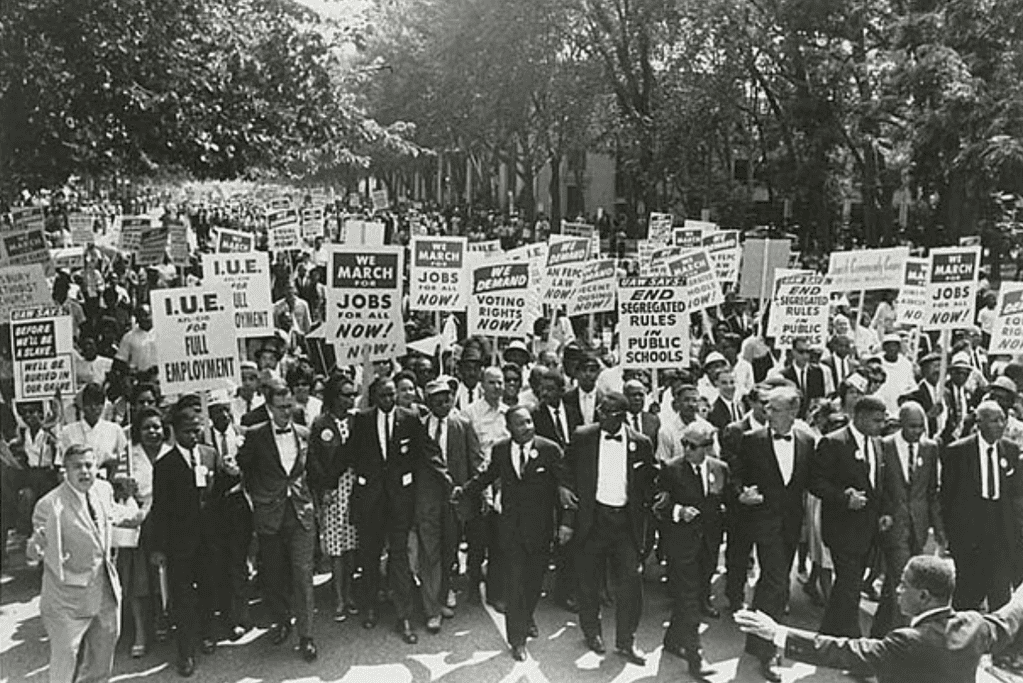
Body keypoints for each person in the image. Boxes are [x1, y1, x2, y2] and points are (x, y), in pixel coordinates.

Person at [736, 555, 1023, 683]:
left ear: (924, 596)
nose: (896, 590)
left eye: (903, 585)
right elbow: (1009, 617)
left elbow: (843, 651)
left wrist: (777, 633)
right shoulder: (975, 625)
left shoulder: (908, 641)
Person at [453, 406, 569, 661]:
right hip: (510, 529)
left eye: (529, 421)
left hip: (539, 531)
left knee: (533, 583)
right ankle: (517, 640)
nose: (527, 427)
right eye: (520, 423)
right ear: (509, 428)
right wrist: (465, 490)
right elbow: (488, 475)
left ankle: (527, 617)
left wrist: (566, 524)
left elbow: (565, 487)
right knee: (514, 584)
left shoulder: (550, 450)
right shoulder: (501, 450)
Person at [344, 377, 449, 644]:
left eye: (392, 395)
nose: (389, 400)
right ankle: (369, 607)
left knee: (399, 556)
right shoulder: (363, 420)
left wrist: (445, 476)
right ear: (375, 397)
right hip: (372, 501)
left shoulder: (410, 418)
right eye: (384, 396)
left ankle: (404, 616)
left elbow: (427, 450)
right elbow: (350, 453)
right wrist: (327, 479)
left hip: (400, 501)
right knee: (369, 555)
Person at [28, 445, 142, 683]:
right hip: (66, 598)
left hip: (105, 591)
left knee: (102, 660)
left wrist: (139, 511)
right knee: (66, 663)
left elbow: (113, 514)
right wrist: (36, 546)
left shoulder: (103, 489)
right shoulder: (49, 505)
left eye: (89, 465)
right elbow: (36, 549)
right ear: (65, 471)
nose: (84, 471)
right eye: (77, 466)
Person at [562, 392, 656, 665]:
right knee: (588, 582)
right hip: (593, 520)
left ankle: (626, 641)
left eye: (607, 412)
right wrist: (564, 487)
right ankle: (592, 632)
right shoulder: (583, 436)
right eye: (600, 410)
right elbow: (566, 466)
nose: (600, 415)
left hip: (625, 523)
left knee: (630, 584)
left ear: (622, 416)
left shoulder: (641, 443)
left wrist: (659, 495)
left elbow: (650, 478)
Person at [733, 384, 814, 682]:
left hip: (791, 524)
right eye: (766, 408)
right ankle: (769, 652)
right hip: (764, 521)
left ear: (793, 412)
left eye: (775, 409)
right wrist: (742, 493)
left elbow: (813, 480)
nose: (767, 414)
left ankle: (755, 640)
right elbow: (737, 474)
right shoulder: (751, 440)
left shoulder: (806, 440)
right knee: (778, 583)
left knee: (771, 581)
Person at [237, 380, 318, 662]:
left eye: (289, 406)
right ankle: (282, 620)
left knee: (303, 573)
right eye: (280, 407)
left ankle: (306, 636)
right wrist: (259, 497)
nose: (286, 412)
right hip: (270, 514)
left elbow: (312, 470)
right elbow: (244, 468)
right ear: (269, 408)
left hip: (300, 513)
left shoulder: (304, 433)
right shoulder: (256, 435)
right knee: (274, 574)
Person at [148, 402, 220, 677]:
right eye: (188, 431)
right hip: (180, 543)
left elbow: (221, 494)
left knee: (208, 588)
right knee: (182, 596)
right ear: (175, 433)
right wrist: (158, 547)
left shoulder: (210, 454)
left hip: (209, 538)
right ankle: (185, 651)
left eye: (197, 430)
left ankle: (207, 634)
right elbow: (160, 509)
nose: (194, 436)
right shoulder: (165, 465)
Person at [811, 395, 891, 639]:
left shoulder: (878, 444)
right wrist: (844, 498)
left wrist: (884, 512)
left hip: (868, 530)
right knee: (850, 585)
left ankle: (827, 634)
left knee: (848, 585)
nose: (881, 426)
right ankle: (852, 641)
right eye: (876, 420)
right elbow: (815, 482)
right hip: (842, 528)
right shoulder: (833, 443)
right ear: (860, 417)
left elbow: (880, 484)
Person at [657, 420, 727, 677]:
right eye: (684, 443)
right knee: (688, 599)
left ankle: (672, 640)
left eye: (693, 446)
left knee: (694, 595)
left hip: (708, 545)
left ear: (707, 447)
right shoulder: (671, 469)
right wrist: (679, 511)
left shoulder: (720, 469)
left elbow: (725, 501)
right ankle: (695, 656)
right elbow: (658, 505)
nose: (686, 449)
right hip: (681, 545)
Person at [872, 401, 945, 636]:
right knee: (906, 583)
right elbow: (878, 487)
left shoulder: (930, 448)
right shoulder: (884, 446)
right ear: (901, 423)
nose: (917, 431)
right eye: (912, 426)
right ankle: (901, 639)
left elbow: (931, 492)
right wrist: (882, 513)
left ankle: (878, 634)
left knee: (894, 585)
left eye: (921, 426)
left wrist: (939, 529)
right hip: (894, 526)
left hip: (919, 527)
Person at [941, 400, 1021, 611]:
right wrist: (951, 534)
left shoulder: (1011, 450)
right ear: (980, 423)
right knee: (967, 592)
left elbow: (1015, 494)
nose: (1001, 425)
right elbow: (947, 497)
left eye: (1003, 419)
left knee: (1000, 593)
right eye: (994, 420)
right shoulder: (958, 451)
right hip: (970, 529)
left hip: (1001, 529)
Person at [416, 377, 482, 633]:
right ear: (428, 402)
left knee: (448, 553)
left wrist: (475, 492)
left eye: (447, 399)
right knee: (429, 554)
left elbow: (475, 460)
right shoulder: (419, 426)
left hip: (455, 500)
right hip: (427, 501)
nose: (444, 404)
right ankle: (431, 610)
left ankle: (441, 596)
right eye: (437, 400)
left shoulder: (463, 425)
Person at [309, 373, 359, 622]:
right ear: (334, 397)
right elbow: (314, 460)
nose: (350, 399)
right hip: (333, 492)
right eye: (345, 395)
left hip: (355, 489)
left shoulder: (357, 421)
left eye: (353, 395)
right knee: (337, 549)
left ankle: (350, 593)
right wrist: (324, 488)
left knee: (352, 546)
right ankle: (339, 597)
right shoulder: (321, 424)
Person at [463, 366, 510, 608]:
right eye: (492, 382)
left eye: (500, 382)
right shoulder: (470, 413)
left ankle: (495, 592)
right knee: (476, 541)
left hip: (503, 485)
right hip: (480, 483)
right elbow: (469, 452)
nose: (497, 387)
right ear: (482, 385)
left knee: (500, 542)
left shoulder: (508, 414)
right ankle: (472, 586)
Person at [206, 392, 252, 639]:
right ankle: (225, 614)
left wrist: (241, 473)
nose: (222, 415)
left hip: (240, 503)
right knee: (220, 563)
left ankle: (240, 615)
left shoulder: (244, 434)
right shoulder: (203, 439)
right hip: (214, 508)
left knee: (239, 561)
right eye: (216, 411)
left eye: (225, 409)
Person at [120, 407, 164, 659]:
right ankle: (140, 631)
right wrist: (124, 488)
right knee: (138, 578)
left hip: (166, 520)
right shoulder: (129, 455)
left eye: (156, 427)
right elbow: (115, 489)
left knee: (161, 575)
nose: (152, 432)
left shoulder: (170, 452)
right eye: (146, 427)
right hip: (139, 521)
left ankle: (161, 619)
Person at [59, 383, 128, 472]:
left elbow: (124, 460)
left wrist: (112, 461)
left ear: (104, 405)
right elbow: (61, 463)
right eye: (89, 403)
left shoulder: (115, 430)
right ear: (83, 405)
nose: (93, 407)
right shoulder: (67, 431)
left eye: (98, 403)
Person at [780, 337, 825, 417]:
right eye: (801, 352)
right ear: (793, 352)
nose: (805, 356)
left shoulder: (817, 372)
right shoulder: (785, 375)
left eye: (808, 352)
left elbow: (819, 396)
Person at [113, 304, 158, 381]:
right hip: (139, 379)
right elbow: (120, 362)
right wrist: (132, 372)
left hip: (161, 378)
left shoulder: (163, 333)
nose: (145, 319)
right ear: (137, 318)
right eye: (141, 316)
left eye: (147, 315)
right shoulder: (129, 337)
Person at [563, 353, 600, 425]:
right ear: (576, 373)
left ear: (598, 373)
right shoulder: (567, 398)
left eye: (592, 370)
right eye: (584, 370)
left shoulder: (604, 399)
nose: (588, 374)